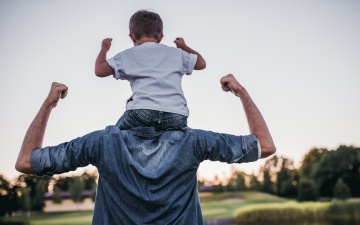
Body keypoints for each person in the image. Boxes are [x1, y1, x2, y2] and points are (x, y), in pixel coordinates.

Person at [15, 74, 276, 224]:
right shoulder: (193, 141)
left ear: (130, 106)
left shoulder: (103, 143)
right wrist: (241, 92)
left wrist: (49, 104)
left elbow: (26, 161)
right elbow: (264, 145)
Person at [95, 10, 206, 131]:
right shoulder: (176, 54)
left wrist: (104, 49)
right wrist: (183, 47)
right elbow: (201, 63)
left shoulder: (127, 55)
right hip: (177, 115)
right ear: (161, 37)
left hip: (142, 113)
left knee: (113, 135)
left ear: (132, 37)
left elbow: (99, 70)